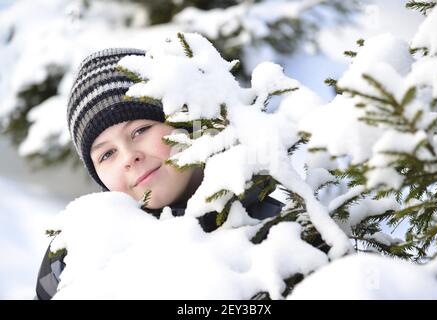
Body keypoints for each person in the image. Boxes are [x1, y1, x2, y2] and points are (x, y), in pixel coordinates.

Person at [35, 48, 284, 300]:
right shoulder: (74, 257)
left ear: (182, 122)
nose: (129, 156)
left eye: (140, 130)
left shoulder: (273, 226)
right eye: (107, 154)